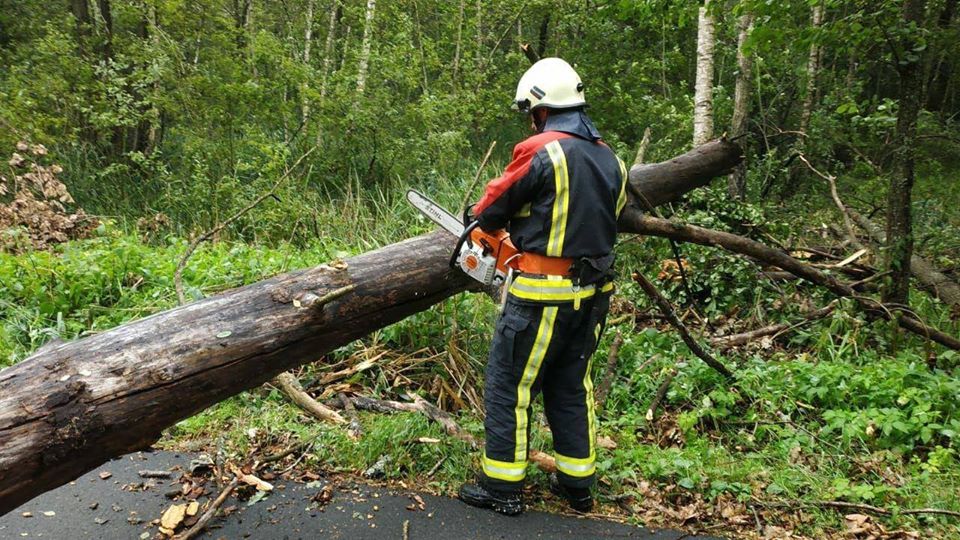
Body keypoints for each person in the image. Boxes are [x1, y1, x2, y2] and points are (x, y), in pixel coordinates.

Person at [457, 57, 628, 516]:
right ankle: (577, 484)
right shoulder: (612, 158)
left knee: (509, 385)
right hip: (593, 295)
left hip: (542, 295)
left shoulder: (543, 149)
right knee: (571, 385)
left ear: (540, 107)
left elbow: (491, 205)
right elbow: (601, 216)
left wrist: (492, 226)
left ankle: (503, 487)